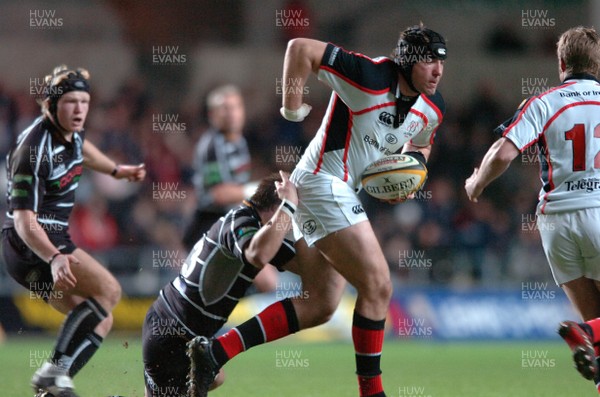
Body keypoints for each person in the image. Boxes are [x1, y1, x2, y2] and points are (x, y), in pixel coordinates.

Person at [188, 23, 446, 397]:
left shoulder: (433, 107)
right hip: (320, 181)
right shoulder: (370, 75)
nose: (438, 70)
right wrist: (292, 109)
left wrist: (412, 174)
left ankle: (215, 351)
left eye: (441, 62)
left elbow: (423, 145)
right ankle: (371, 392)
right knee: (378, 285)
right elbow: (300, 48)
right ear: (406, 61)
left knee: (321, 304)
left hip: (339, 192)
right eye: (428, 62)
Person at [464, 26, 600, 393]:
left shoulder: (543, 102)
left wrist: (476, 184)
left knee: (599, 348)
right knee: (595, 330)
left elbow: (504, 152)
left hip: (555, 224)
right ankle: (586, 332)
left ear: (561, 63)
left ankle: (588, 333)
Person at [1, 65, 146, 397]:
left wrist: (116, 170)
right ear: (51, 105)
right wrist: (53, 258)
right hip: (29, 247)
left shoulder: (70, 132)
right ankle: (52, 374)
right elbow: (24, 222)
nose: (79, 109)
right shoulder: (32, 149)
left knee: (101, 320)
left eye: (84, 101)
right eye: (70, 102)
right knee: (109, 291)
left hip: (50, 243)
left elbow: (84, 149)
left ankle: (51, 389)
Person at [142, 172, 298, 397]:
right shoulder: (241, 221)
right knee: (204, 377)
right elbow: (259, 255)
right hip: (172, 332)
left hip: (176, 328)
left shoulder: (256, 228)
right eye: (289, 213)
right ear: (277, 207)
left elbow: (291, 259)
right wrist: (290, 205)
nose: (291, 223)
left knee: (216, 376)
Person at [182, 84, 255, 252]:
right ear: (212, 115)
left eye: (236, 107)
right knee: (264, 274)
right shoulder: (211, 146)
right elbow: (219, 194)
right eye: (225, 108)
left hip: (232, 220)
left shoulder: (240, 141)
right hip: (210, 225)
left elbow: (237, 186)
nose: (232, 114)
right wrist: (259, 189)